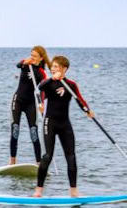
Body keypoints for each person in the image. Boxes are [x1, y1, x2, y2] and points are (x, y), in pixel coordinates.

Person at [33, 55, 94, 198]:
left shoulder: (71, 84)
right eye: (52, 67)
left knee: (71, 157)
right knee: (48, 156)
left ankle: (73, 191)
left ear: (64, 68)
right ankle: (38, 190)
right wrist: (40, 103)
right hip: (50, 122)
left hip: (65, 124)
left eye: (56, 67)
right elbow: (38, 89)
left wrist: (87, 110)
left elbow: (79, 99)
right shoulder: (48, 83)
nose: (53, 69)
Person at [9, 46, 50, 166]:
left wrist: (41, 103)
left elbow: (43, 90)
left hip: (31, 104)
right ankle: (12, 161)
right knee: (15, 129)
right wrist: (24, 62)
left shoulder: (41, 73)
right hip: (18, 100)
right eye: (31, 55)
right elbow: (18, 65)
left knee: (33, 132)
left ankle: (38, 163)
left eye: (35, 56)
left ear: (41, 58)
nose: (32, 57)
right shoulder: (25, 64)